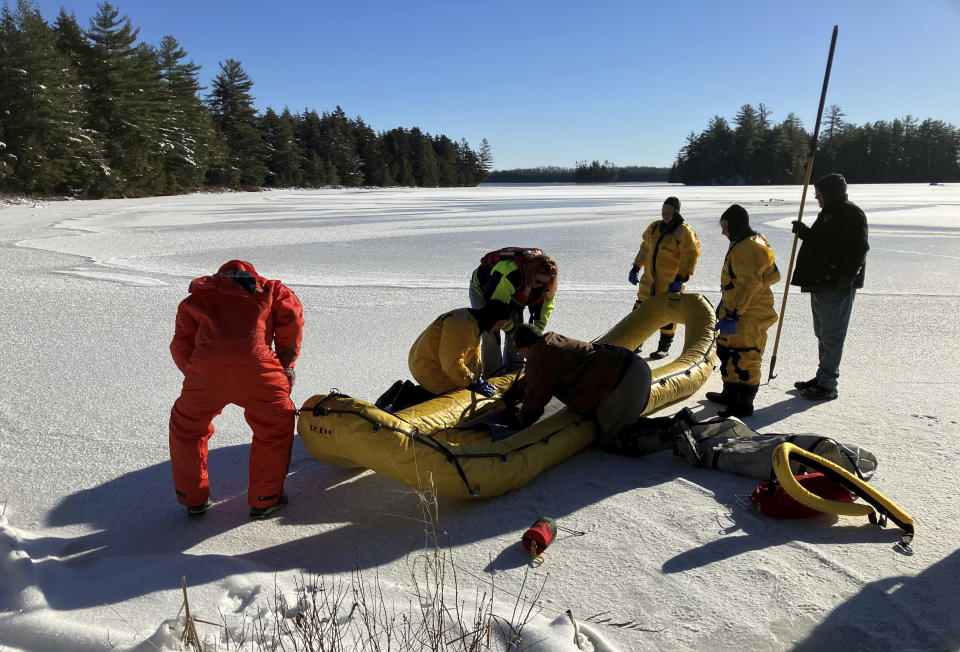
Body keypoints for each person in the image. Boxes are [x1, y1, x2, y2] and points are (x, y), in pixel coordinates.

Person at [169, 260, 304, 520]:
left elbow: (180, 345)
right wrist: (286, 367)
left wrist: (198, 374)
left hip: (205, 374)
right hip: (260, 371)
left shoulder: (197, 297)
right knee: (275, 427)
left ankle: (193, 499)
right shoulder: (272, 291)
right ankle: (265, 500)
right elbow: (292, 324)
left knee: (186, 428)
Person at [790, 173, 869, 400]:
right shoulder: (830, 213)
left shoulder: (851, 214)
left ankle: (828, 384)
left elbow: (859, 248)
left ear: (831, 193)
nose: (816, 198)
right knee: (822, 333)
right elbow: (825, 243)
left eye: (819, 194)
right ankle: (822, 376)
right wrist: (805, 233)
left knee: (832, 335)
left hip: (836, 285)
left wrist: (847, 278)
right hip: (820, 284)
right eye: (815, 194)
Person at [508, 324, 652, 447]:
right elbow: (538, 376)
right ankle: (669, 427)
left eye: (519, 351)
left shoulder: (537, 358)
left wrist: (520, 421)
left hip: (622, 382)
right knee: (627, 425)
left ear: (525, 347)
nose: (521, 355)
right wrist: (516, 390)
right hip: (635, 367)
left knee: (613, 440)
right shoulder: (550, 342)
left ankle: (669, 438)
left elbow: (536, 398)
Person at [705, 205, 781, 417]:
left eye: (726, 227)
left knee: (746, 355)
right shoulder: (744, 243)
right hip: (734, 308)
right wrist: (725, 310)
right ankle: (730, 393)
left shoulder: (751, 248)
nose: (723, 232)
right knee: (726, 351)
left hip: (750, 313)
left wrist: (733, 315)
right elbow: (748, 281)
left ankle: (744, 403)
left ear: (735, 225)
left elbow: (747, 286)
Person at [628, 196, 701, 359]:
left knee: (668, 314)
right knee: (639, 310)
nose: (666, 214)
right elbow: (645, 248)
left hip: (670, 282)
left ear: (676, 212)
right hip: (649, 281)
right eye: (664, 210)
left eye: (669, 211)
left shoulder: (683, 231)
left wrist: (681, 278)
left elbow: (691, 255)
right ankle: (636, 342)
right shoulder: (654, 228)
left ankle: (664, 347)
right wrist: (636, 266)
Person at [470, 247, 558, 374]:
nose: (542, 286)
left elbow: (545, 308)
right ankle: (492, 374)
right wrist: (511, 330)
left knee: (519, 335)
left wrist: (536, 332)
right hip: (485, 293)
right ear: (530, 273)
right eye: (539, 282)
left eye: (546, 283)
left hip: (516, 297)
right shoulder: (509, 274)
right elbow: (494, 310)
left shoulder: (548, 283)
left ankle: (513, 372)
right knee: (491, 335)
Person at [408, 300, 511, 397]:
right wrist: (473, 383)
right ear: (492, 319)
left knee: (462, 384)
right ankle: (409, 397)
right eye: (500, 324)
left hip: (435, 363)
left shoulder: (474, 323)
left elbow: (472, 356)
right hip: (427, 367)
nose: (500, 329)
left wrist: (477, 378)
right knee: (455, 391)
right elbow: (451, 364)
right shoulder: (464, 326)